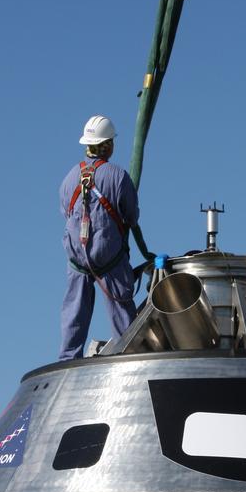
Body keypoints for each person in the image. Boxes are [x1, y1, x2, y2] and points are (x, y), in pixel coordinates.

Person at [58, 115, 139, 360]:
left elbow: (66, 211)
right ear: (108, 145)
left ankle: (68, 358)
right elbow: (131, 215)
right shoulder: (118, 177)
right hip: (109, 259)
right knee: (121, 308)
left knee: (75, 310)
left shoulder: (70, 177)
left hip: (78, 259)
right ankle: (129, 354)